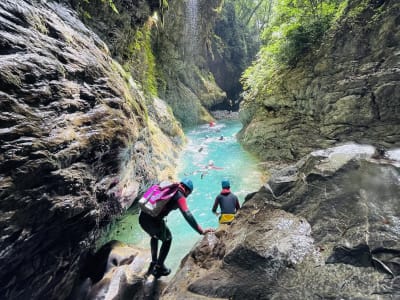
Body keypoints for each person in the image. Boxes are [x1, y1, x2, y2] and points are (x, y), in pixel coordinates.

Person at [139, 178, 214, 278]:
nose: (187, 196)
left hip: (142, 217)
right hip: (154, 222)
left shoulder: (170, 187)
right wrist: (201, 231)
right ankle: (159, 267)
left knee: (154, 236)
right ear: (187, 190)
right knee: (168, 239)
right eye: (188, 194)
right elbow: (187, 214)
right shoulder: (179, 195)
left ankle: (154, 262)